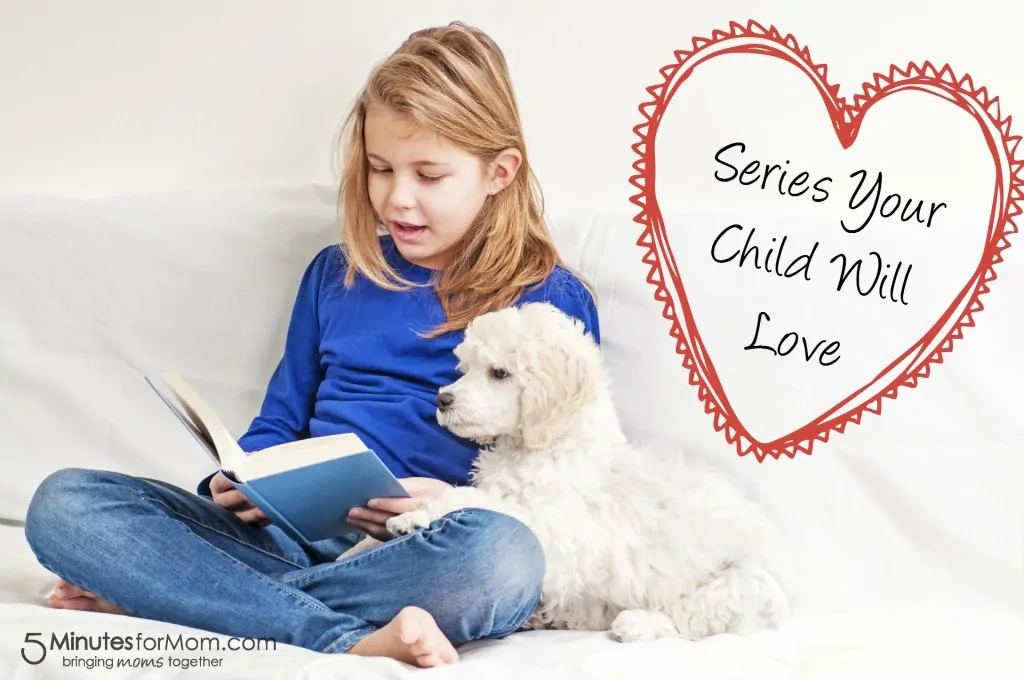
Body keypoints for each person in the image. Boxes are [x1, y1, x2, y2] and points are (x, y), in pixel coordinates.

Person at [23, 21, 600, 669]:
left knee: (505, 558)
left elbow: (565, 474)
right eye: (380, 169)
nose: (397, 198)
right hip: (287, 536)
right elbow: (280, 420)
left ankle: (176, 594)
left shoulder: (548, 297)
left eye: (429, 175)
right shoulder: (336, 274)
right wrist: (238, 479)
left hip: (424, 548)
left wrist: (442, 501)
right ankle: (335, 633)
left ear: (499, 172)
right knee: (64, 502)